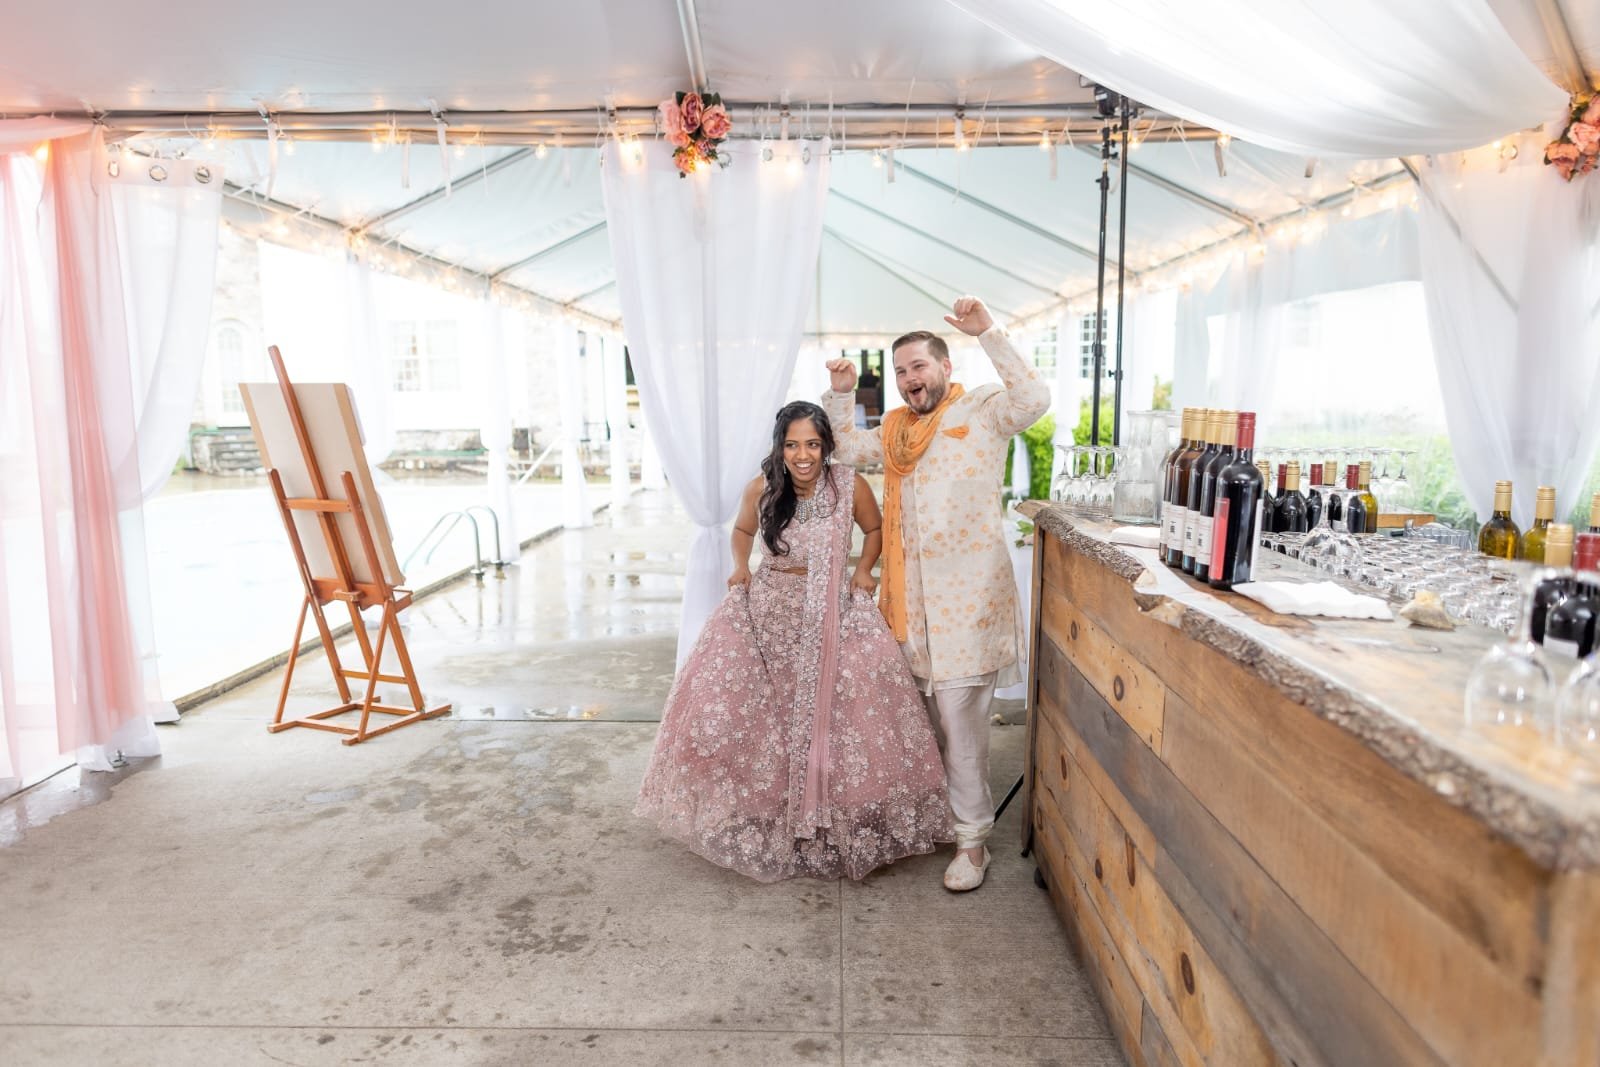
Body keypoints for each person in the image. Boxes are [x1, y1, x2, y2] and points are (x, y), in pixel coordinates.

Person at [636, 402, 952, 882]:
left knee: (847, 709)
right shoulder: (763, 488)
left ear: (826, 446)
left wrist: (864, 571)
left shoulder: (849, 485)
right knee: (770, 711)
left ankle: (833, 814)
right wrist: (740, 567)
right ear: (779, 447)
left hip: (834, 609)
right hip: (772, 611)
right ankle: (775, 810)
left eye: (812, 444)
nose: (802, 455)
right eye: (792, 445)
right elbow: (742, 529)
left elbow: (875, 529)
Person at [823, 296, 1049, 891]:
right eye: (900, 371)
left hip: (968, 605)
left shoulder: (983, 410)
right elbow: (845, 448)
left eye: (918, 366)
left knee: (961, 726)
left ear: (946, 366)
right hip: (909, 607)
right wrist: (842, 394)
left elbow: (1034, 399)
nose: (908, 379)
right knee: (922, 725)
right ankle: (938, 821)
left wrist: (989, 332)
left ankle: (972, 843)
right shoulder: (896, 430)